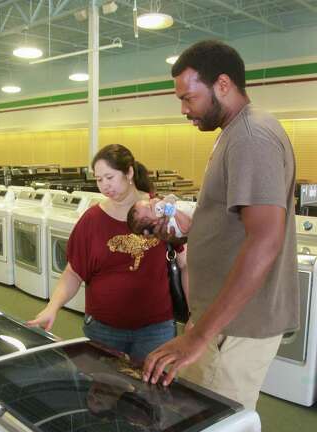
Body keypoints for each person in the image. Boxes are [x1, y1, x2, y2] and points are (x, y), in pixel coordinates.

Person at [142, 40, 299, 410]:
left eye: (188, 98)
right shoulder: (235, 133)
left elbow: (265, 240)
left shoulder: (251, 137)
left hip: (231, 328)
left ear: (223, 85)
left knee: (209, 428)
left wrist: (199, 337)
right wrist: (189, 228)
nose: (183, 109)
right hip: (221, 321)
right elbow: (235, 225)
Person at [28, 144, 188, 362]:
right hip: (103, 329)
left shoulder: (159, 212)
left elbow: (187, 264)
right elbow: (73, 272)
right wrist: (52, 307)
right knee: (103, 391)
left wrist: (194, 316)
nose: (104, 185)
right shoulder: (92, 220)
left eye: (110, 177)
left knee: (153, 392)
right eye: (99, 179)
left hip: (156, 329)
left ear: (129, 172)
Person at [127, 194, 196, 237]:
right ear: (155, 222)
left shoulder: (166, 207)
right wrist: (174, 212)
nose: (153, 201)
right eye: (150, 206)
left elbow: (174, 197)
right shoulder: (169, 226)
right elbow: (188, 227)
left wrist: (168, 200)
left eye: (149, 200)